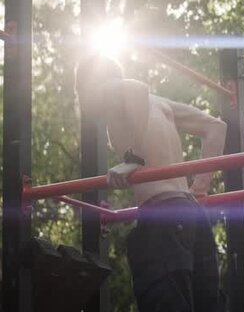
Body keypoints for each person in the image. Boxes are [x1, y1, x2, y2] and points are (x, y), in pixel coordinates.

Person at [74, 56, 226, 312]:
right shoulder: (161, 104)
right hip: (191, 215)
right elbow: (216, 128)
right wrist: (199, 187)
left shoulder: (112, 90)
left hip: (162, 218)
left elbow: (136, 88)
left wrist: (133, 157)